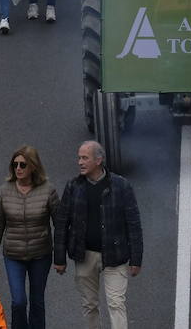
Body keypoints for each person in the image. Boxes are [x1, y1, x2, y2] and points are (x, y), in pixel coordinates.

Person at [53, 140, 141, 329]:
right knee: (89, 305)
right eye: (79, 158)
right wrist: (59, 258)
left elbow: (133, 224)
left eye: (85, 158)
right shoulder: (73, 187)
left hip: (115, 257)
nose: (80, 162)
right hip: (85, 256)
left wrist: (136, 259)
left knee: (116, 303)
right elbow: (62, 223)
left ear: (98, 160)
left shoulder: (121, 186)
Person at [0, 146, 58, 329]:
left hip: (41, 255)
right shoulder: (4, 191)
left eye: (23, 164)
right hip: (13, 255)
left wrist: (60, 256)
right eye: (15, 164)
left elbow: (60, 224)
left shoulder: (48, 190)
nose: (18, 168)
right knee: (18, 301)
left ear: (33, 167)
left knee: (37, 301)